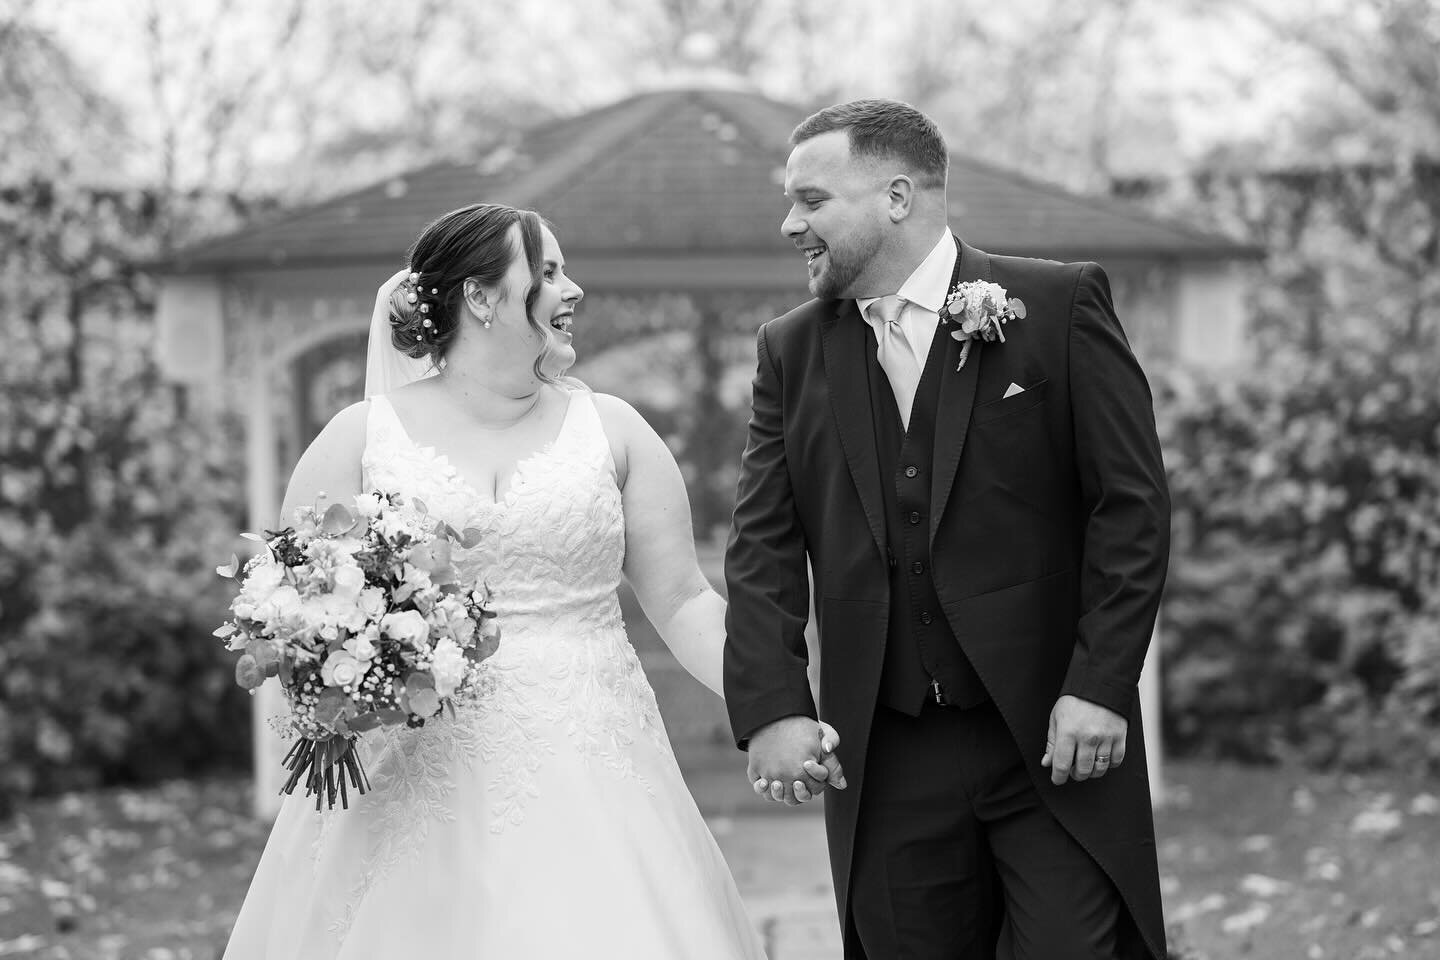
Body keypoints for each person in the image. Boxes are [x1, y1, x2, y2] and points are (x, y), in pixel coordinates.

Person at [222, 202, 844, 958]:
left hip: (596, 762)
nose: (572, 289)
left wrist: (778, 708)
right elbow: (294, 613)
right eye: (548, 272)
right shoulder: (358, 438)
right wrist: (355, 675)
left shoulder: (614, 431)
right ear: (480, 297)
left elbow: (683, 603)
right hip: (414, 777)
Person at [724, 100, 1172, 959]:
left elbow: (1132, 506)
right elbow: (763, 545)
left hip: (1051, 737)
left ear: (896, 196)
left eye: (812, 201)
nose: (791, 224)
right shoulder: (789, 350)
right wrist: (774, 706)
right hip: (886, 752)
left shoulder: (1056, 304)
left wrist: (1102, 683)